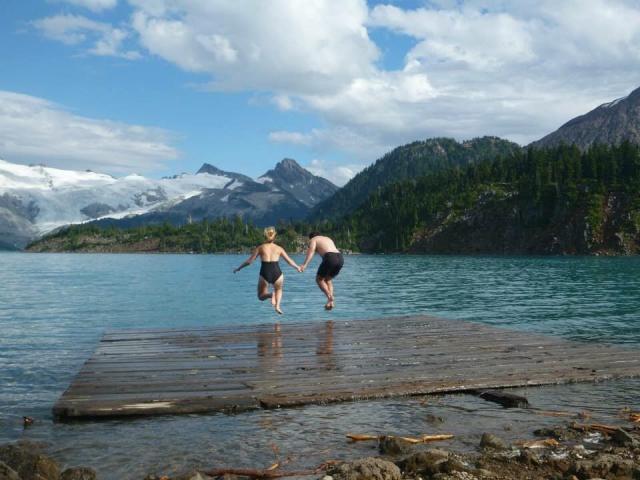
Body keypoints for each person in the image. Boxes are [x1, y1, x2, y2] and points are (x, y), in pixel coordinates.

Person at [233, 226, 301, 315]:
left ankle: (270, 295)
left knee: (260, 296)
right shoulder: (279, 248)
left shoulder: (260, 248)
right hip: (277, 272)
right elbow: (289, 261)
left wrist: (239, 268)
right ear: (275, 236)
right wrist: (297, 267)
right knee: (279, 289)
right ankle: (277, 306)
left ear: (265, 236)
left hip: (265, 272)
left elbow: (249, 262)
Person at [300, 232, 344, 310]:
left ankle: (330, 297)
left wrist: (305, 264)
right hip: (340, 258)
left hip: (330, 257)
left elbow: (311, 252)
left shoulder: (313, 239)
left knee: (319, 279)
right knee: (328, 279)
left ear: (311, 237)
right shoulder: (327, 238)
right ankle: (331, 302)